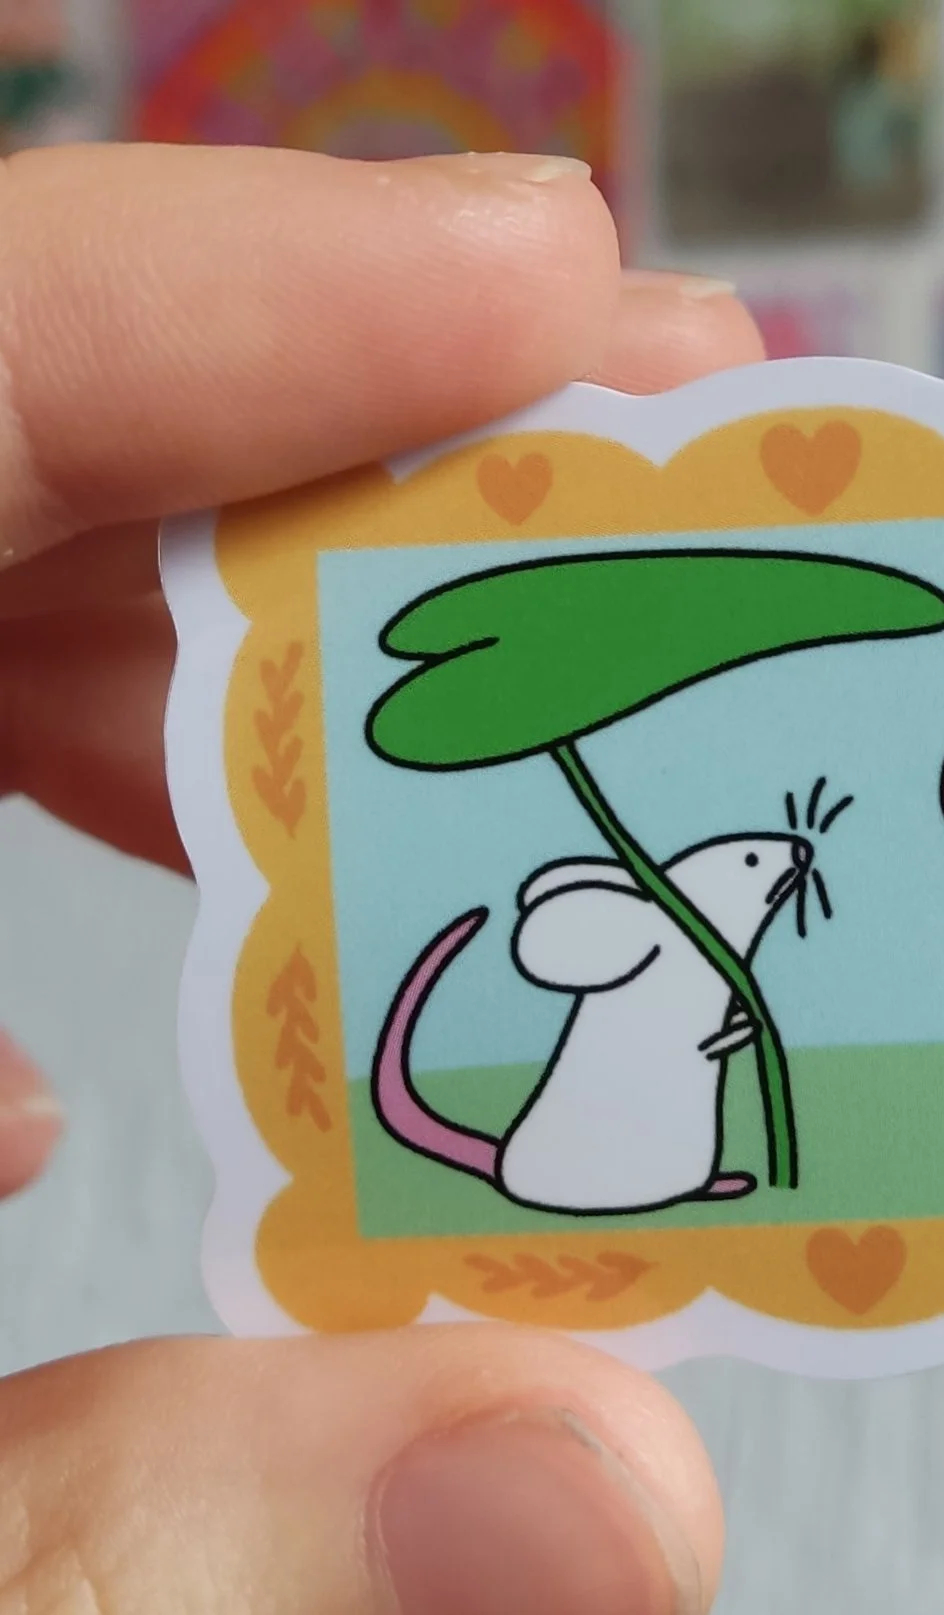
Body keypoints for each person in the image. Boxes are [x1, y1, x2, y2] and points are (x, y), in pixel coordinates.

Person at [0, 141, 765, 1615]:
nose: (767, 871)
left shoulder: (686, 943)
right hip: (561, 1173)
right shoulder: (629, 929)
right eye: (746, 859)